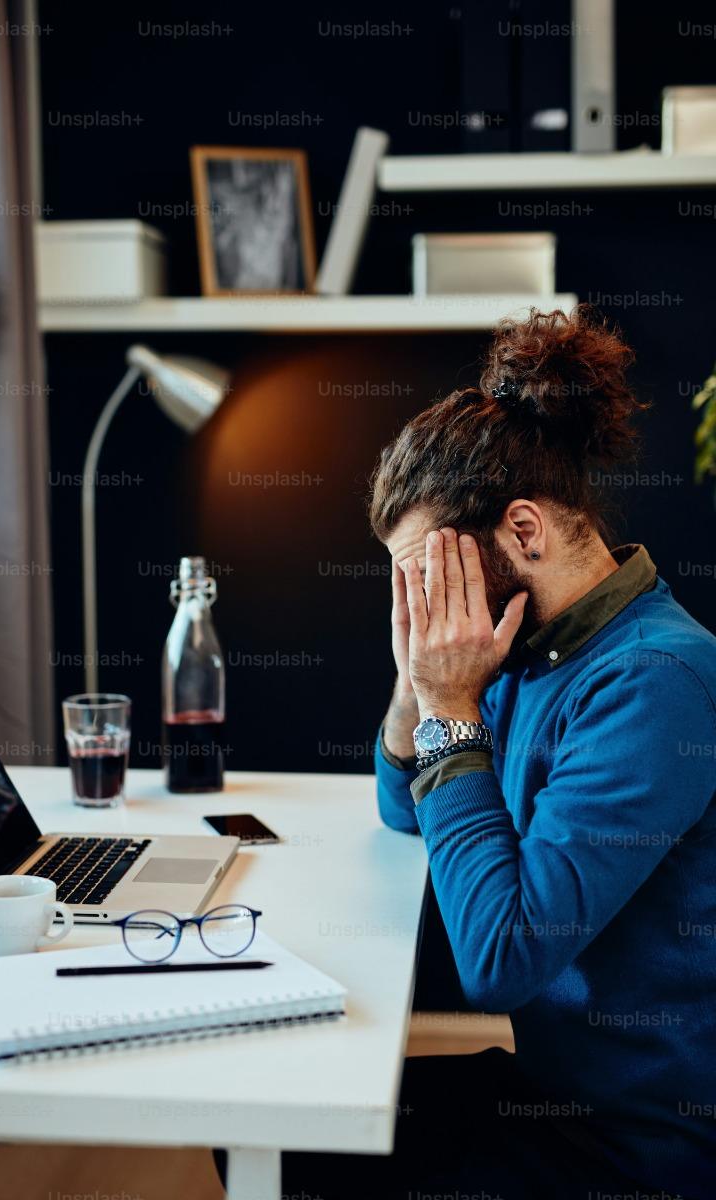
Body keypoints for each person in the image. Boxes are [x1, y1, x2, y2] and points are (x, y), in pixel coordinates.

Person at [281, 306, 716, 1199]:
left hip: (642, 1146)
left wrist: (450, 704)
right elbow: (405, 807)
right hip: (559, 1094)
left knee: (299, 1146)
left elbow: (502, 958)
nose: (425, 604)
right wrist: (417, 681)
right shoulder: (530, 644)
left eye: (429, 576)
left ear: (523, 533)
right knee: (275, 1108)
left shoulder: (653, 682)